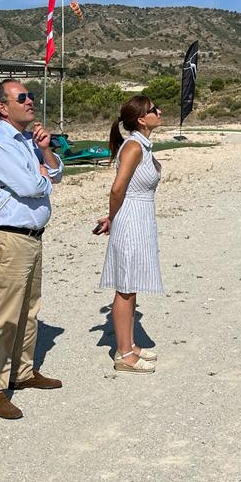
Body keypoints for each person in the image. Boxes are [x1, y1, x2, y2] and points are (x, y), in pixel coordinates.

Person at [0, 79, 64, 420]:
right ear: (3, 107)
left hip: (32, 236)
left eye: (31, 96)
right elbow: (30, 185)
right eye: (23, 97)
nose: (31, 101)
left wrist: (45, 151)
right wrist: (43, 178)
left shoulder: (27, 140)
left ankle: (22, 371)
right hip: (9, 238)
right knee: (3, 314)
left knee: (28, 309)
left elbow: (56, 172)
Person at [94, 95, 164, 374]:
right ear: (141, 119)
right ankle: (123, 354)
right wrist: (112, 218)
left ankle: (130, 344)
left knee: (131, 284)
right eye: (154, 110)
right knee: (125, 288)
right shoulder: (134, 147)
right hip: (130, 220)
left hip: (139, 218)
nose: (160, 112)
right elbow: (117, 189)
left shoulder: (141, 145)